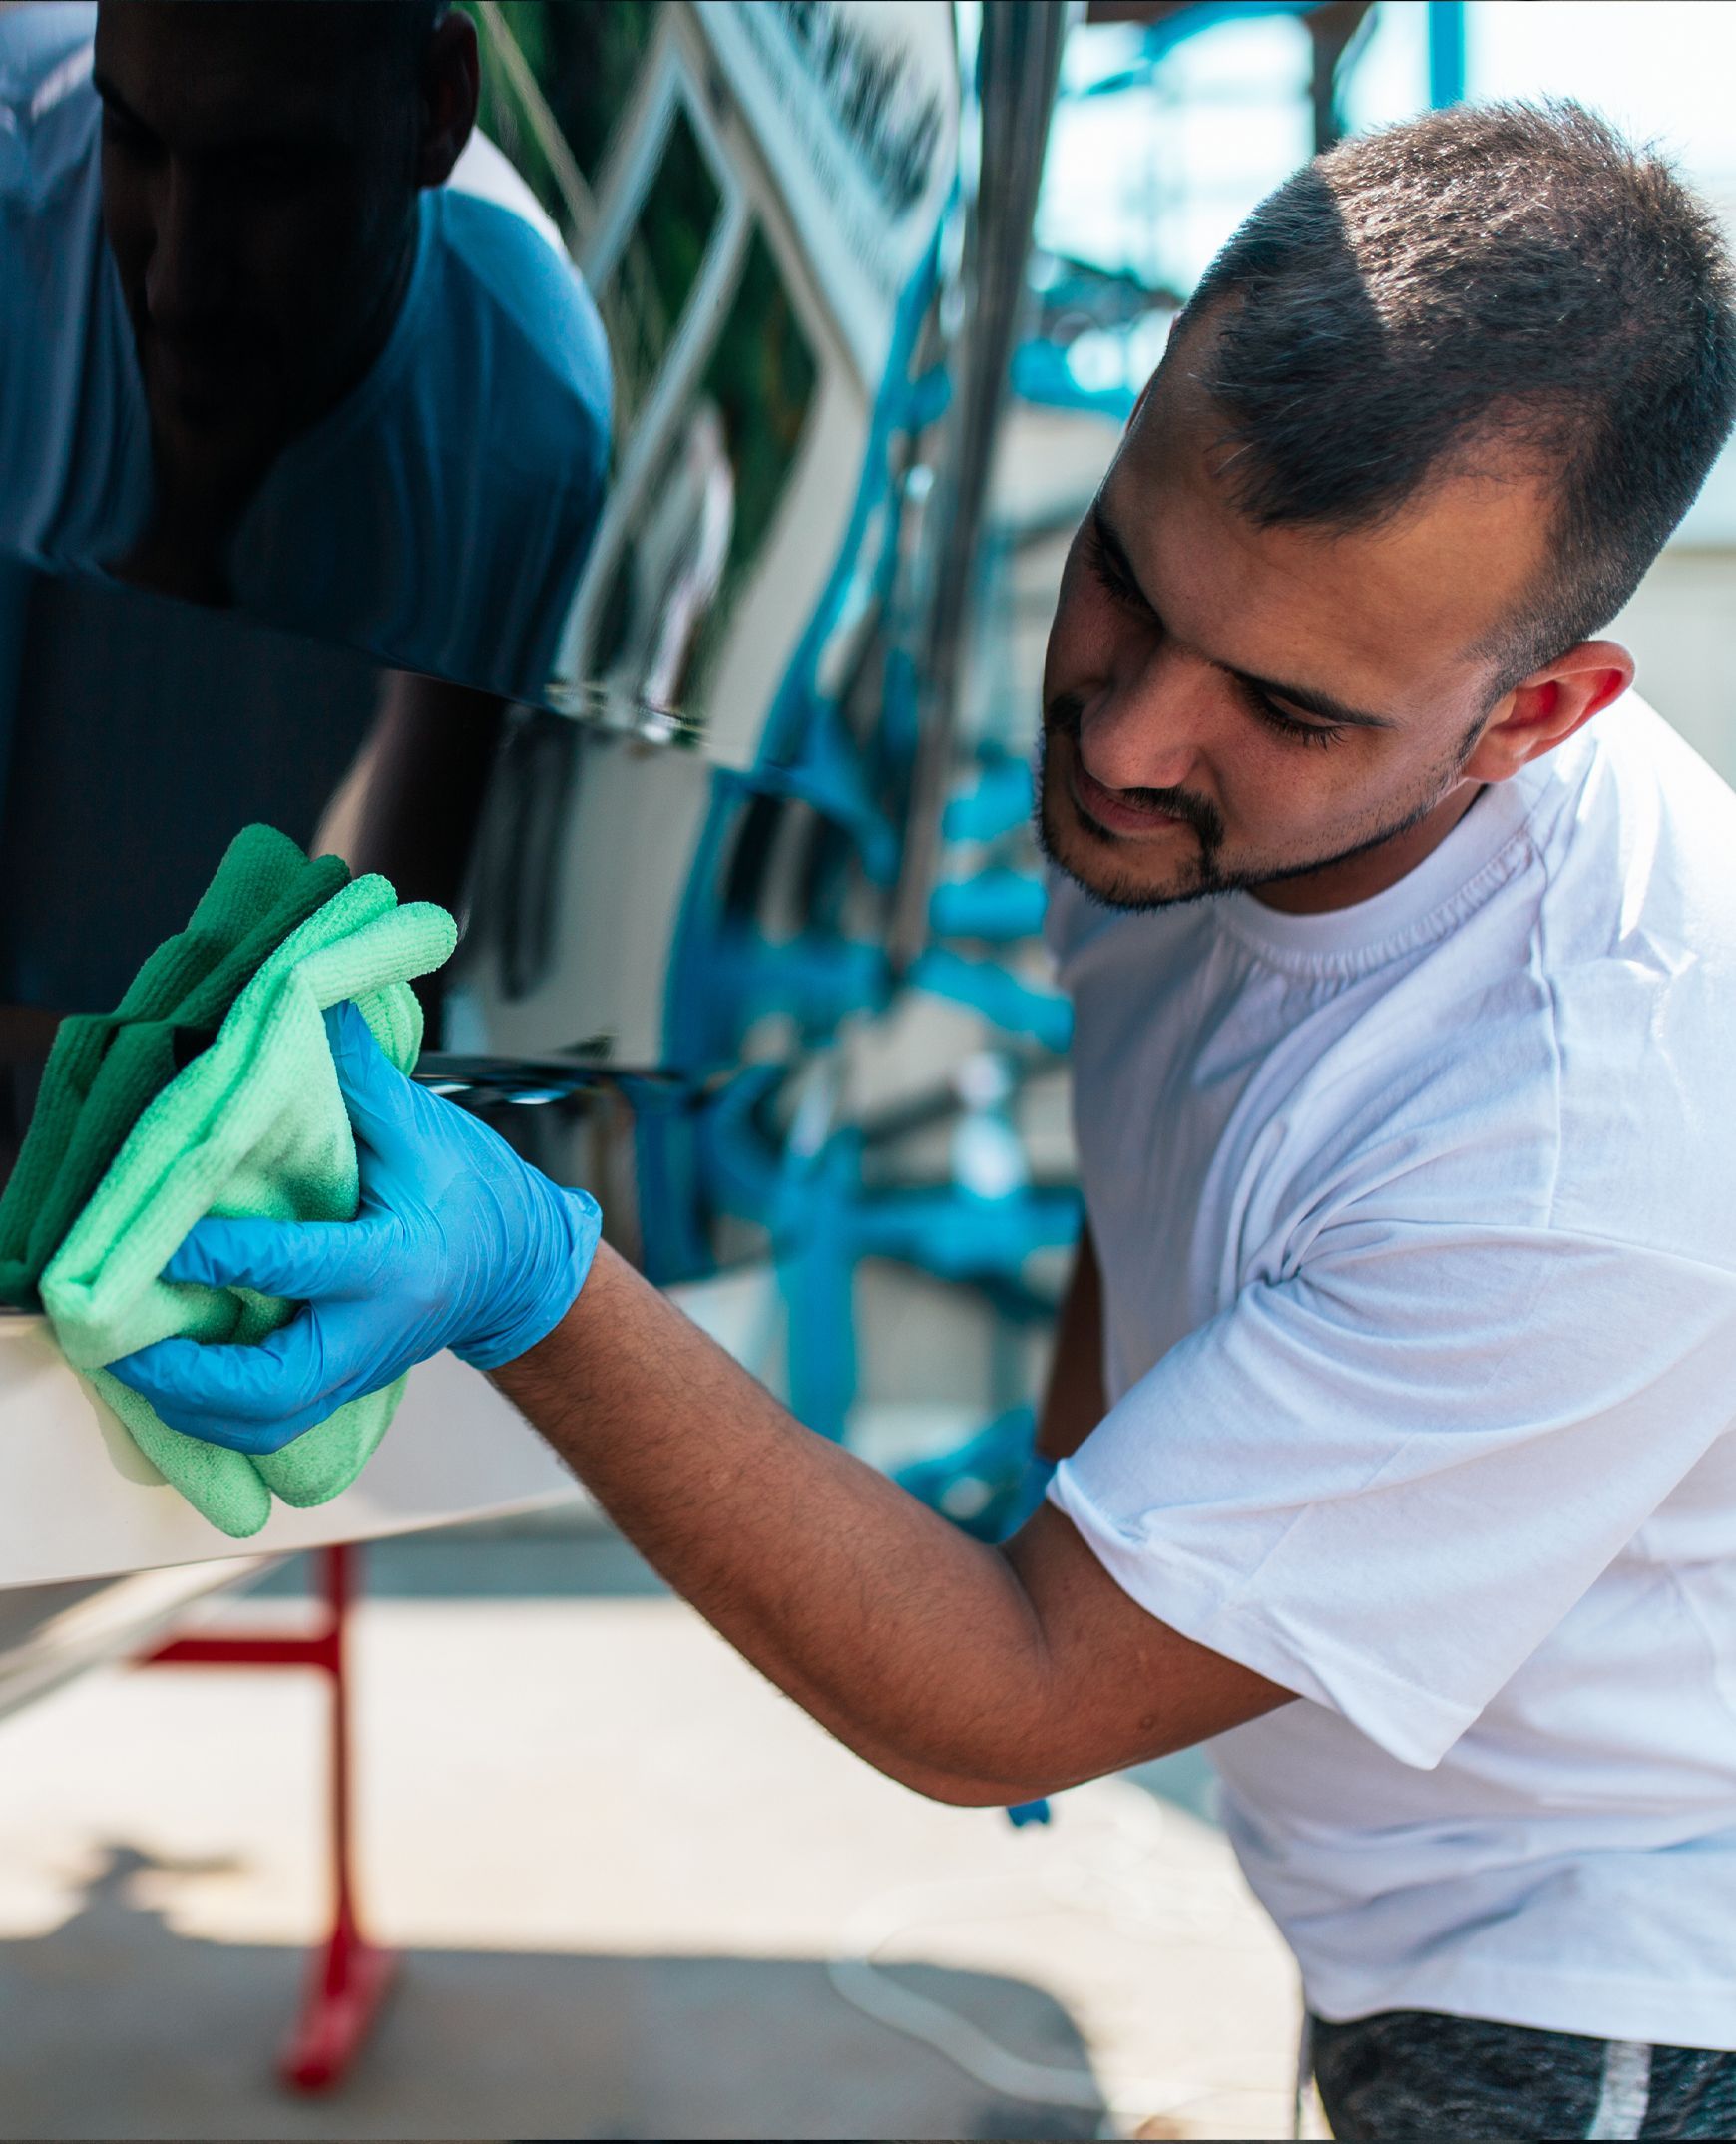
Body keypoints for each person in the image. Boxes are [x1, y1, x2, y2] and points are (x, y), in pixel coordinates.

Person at [111, 101, 1736, 2140]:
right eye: (1123, 583)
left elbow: (1013, 1701)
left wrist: (537, 1280)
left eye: (1289, 710)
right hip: (1420, 1913)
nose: (1134, 739)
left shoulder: (1597, 1141)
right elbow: (1175, 1153)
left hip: (1609, 1998)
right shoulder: (1197, 799)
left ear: (1535, 719)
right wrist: (1077, 1471)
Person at [0, 0, 610, 699]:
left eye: (264, 172)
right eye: (131, 137)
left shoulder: (531, 435)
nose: (176, 289)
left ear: (439, 112)